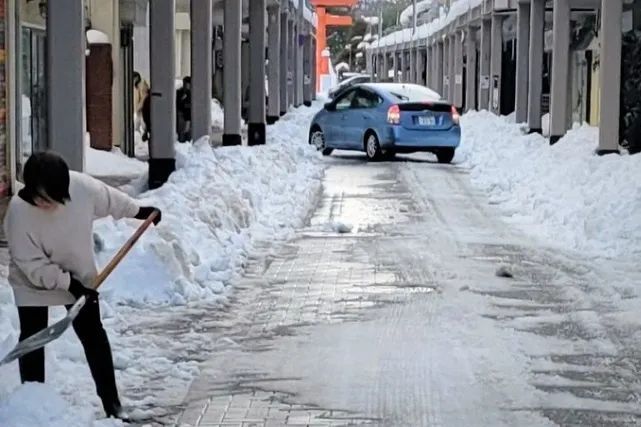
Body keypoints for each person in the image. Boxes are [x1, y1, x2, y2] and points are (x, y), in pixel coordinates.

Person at [4, 152, 162, 420]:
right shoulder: (17, 215)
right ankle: (34, 411)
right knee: (34, 338)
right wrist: (69, 285)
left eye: (57, 198)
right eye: (45, 199)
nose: (52, 205)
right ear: (31, 189)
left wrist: (140, 211)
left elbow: (112, 200)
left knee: (93, 334)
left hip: (80, 273)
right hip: (33, 283)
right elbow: (34, 266)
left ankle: (113, 405)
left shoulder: (81, 188)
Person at [133, 71, 150, 136]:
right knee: (137, 122)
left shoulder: (142, 84)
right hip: (139, 107)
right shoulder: (135, 85)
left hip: (143, 106)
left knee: (143, 122)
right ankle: (138, 135)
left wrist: (139, 106)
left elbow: (144, 97)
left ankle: (144, 134)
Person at [176, 76, 192, 142]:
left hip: (189, 114)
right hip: (181, 113)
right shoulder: (180, 92)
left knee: (188, 132)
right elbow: (177, 103)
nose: (186, 85)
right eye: (185, 83)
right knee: (181, 131)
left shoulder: (192, 92)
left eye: (187, 84)